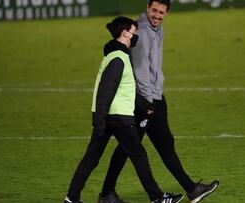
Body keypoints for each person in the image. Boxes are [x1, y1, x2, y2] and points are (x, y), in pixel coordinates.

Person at [99, 1, 219, 203]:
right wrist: (148, 105)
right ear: (148, 8)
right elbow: (140, 71)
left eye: (161, 12)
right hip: (145, 102)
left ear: (167, 13)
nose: (157, 15)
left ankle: (192, 189)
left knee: (162, 144)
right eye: (154, 10)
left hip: (155, 97)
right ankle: (107, 194)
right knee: (129, 148)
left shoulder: (157, 27)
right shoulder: (143, 31)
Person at [64, 16, 184, 203]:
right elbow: (105, 91)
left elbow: (124, 88)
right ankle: (158, 198)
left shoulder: (116, 55)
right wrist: (99, 122)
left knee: (91, 159)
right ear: (125, 33)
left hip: (109, 116)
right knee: (139, 155)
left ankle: (71, 199)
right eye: (134, 33)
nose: (136, 36)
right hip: (118, 117)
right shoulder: (119, 59)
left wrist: (145, 107)